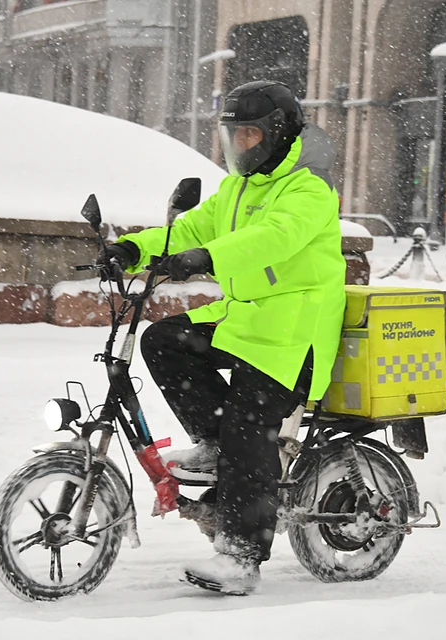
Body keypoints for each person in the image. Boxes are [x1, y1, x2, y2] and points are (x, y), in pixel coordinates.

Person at [97, 80, 346, 595]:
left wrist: (206, 260)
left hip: (292, 334)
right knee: (163, 340)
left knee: (248, 425)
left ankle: (241, 555)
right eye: (232, 135)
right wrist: (132, 250)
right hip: (245, 320)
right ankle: (211, 441)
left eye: (249, 135)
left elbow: (272, 237)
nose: (239, 146)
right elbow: (190, 231)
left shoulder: (309, 189)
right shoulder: (237, 188)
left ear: (277, 135)